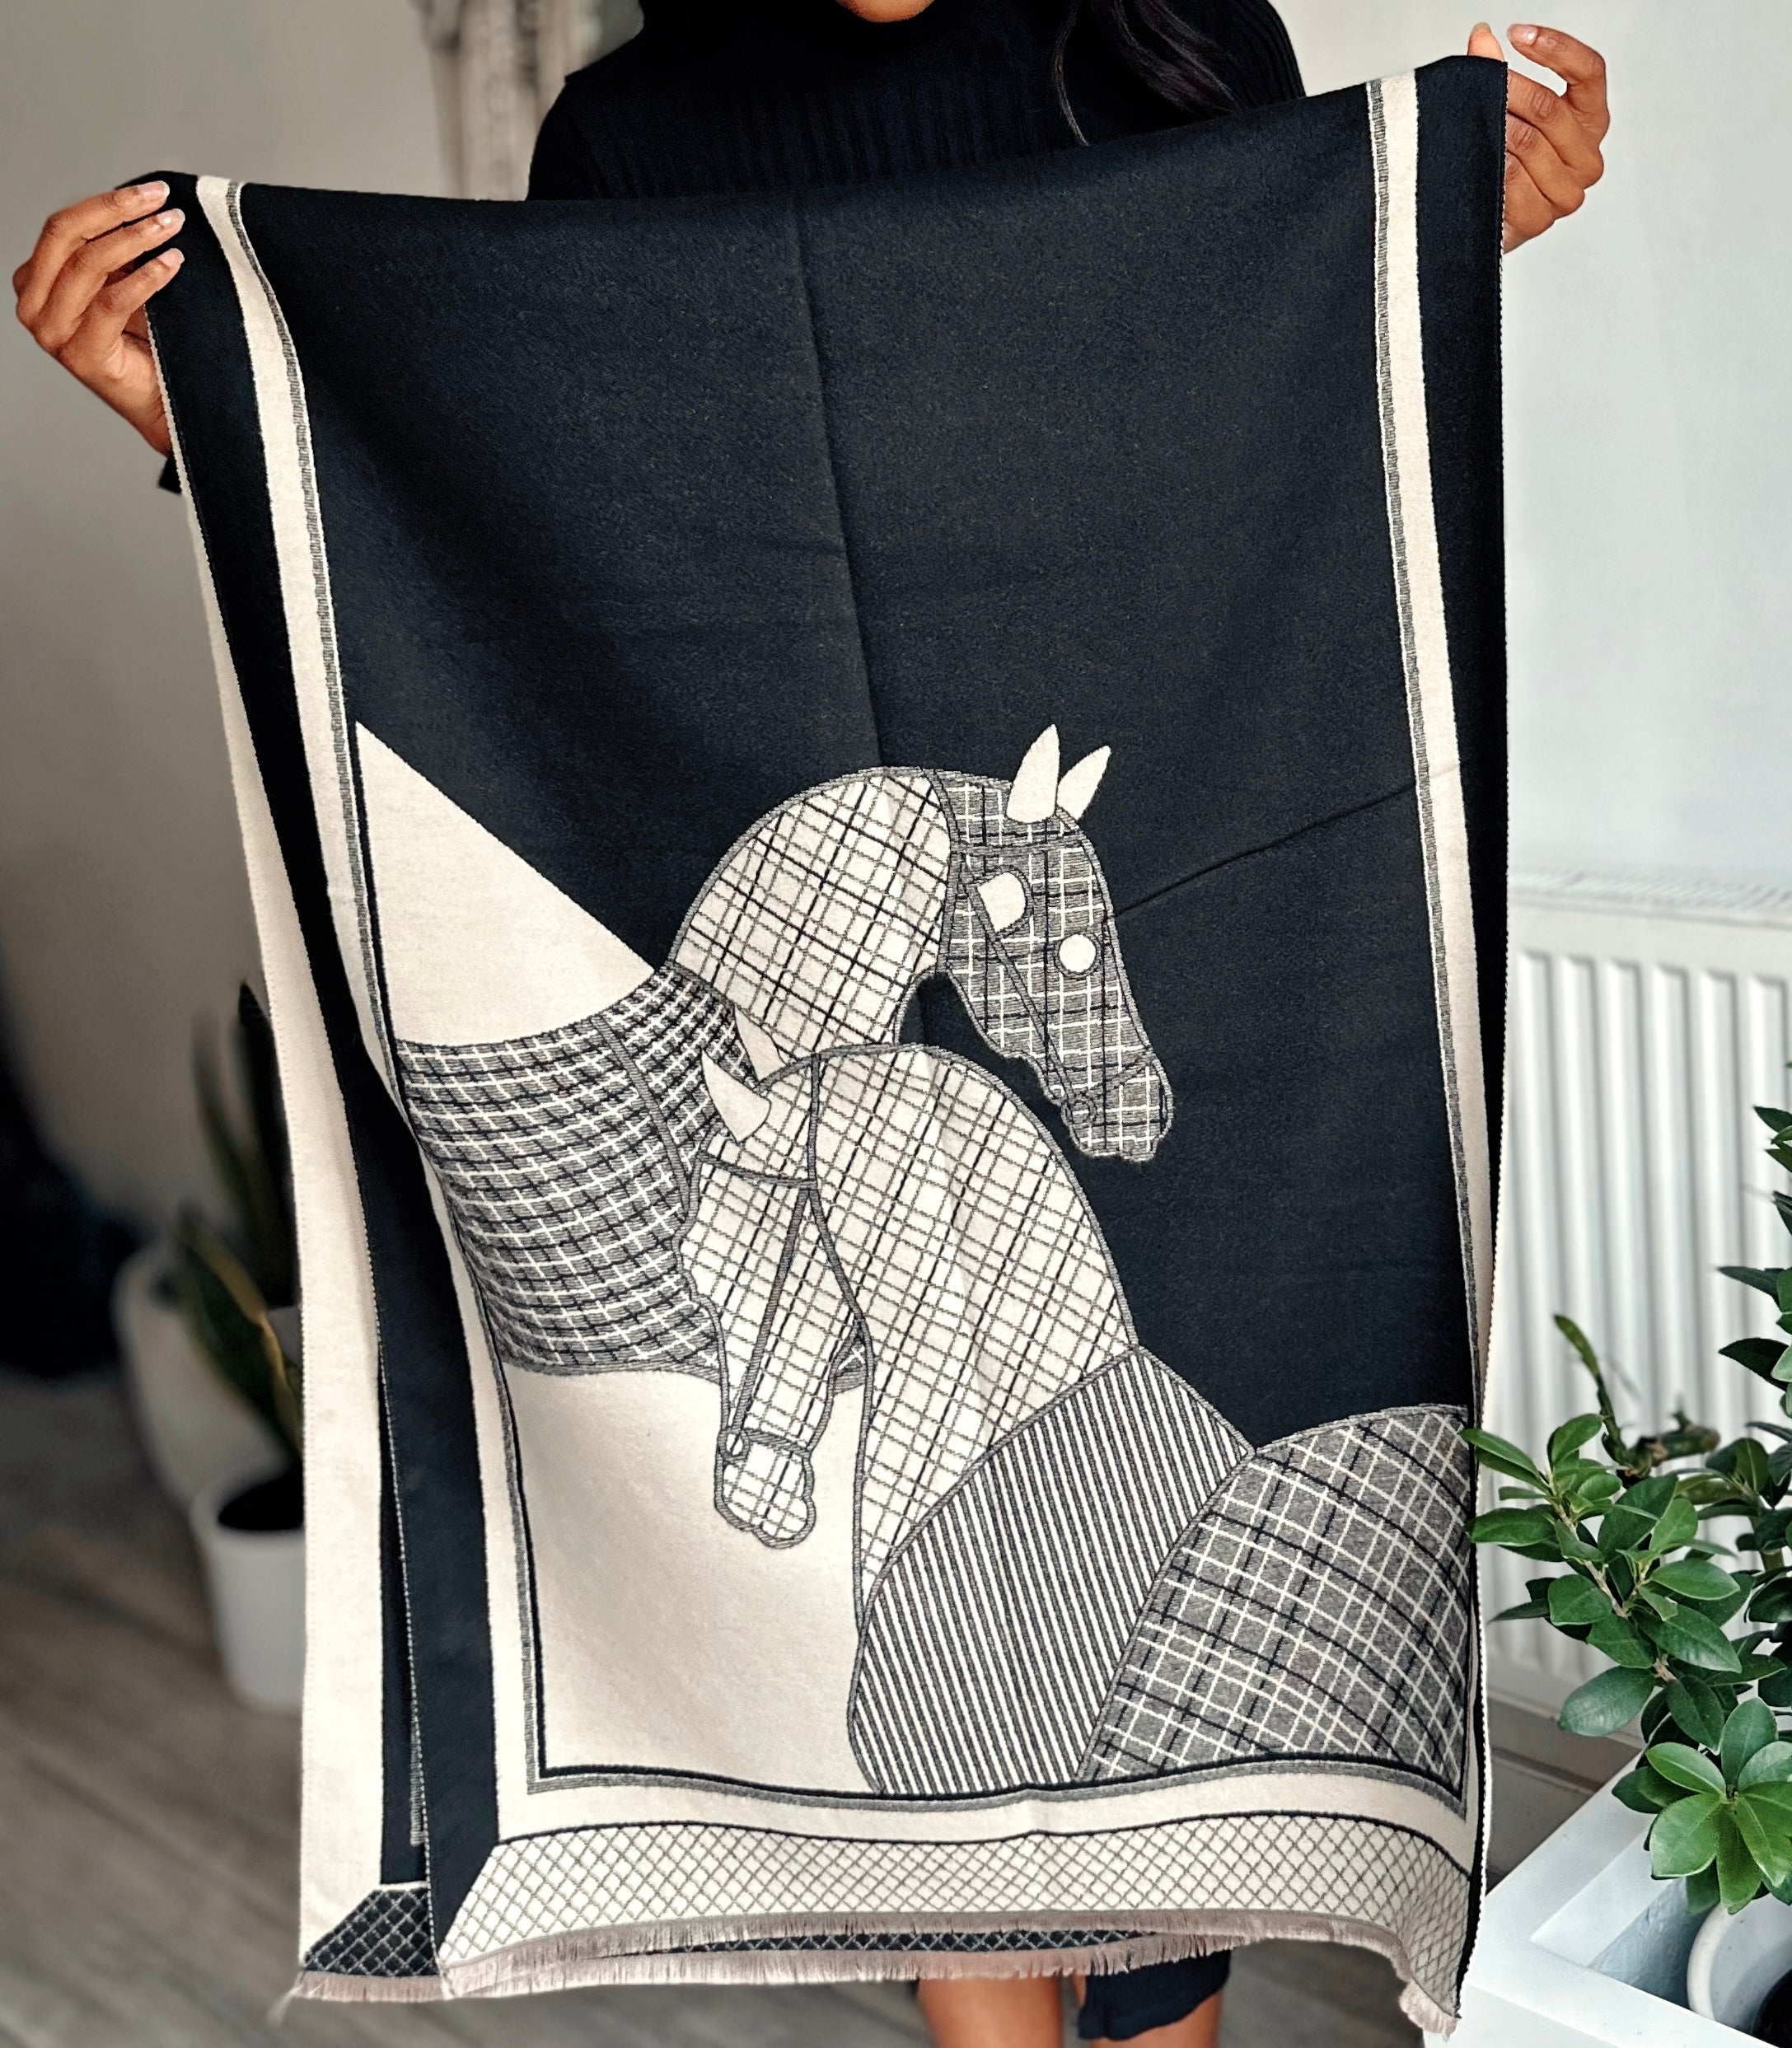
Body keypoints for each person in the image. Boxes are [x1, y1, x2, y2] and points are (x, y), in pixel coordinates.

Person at [11, 5, 1607, 2041]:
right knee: (896, 1615)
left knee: (1122, 1554)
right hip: (756, 910)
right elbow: (532, 533)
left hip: (1146, 879)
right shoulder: (630, 128)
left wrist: (1419, 237)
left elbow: (1242, 432)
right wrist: (215, 416)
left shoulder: (1165, 39)